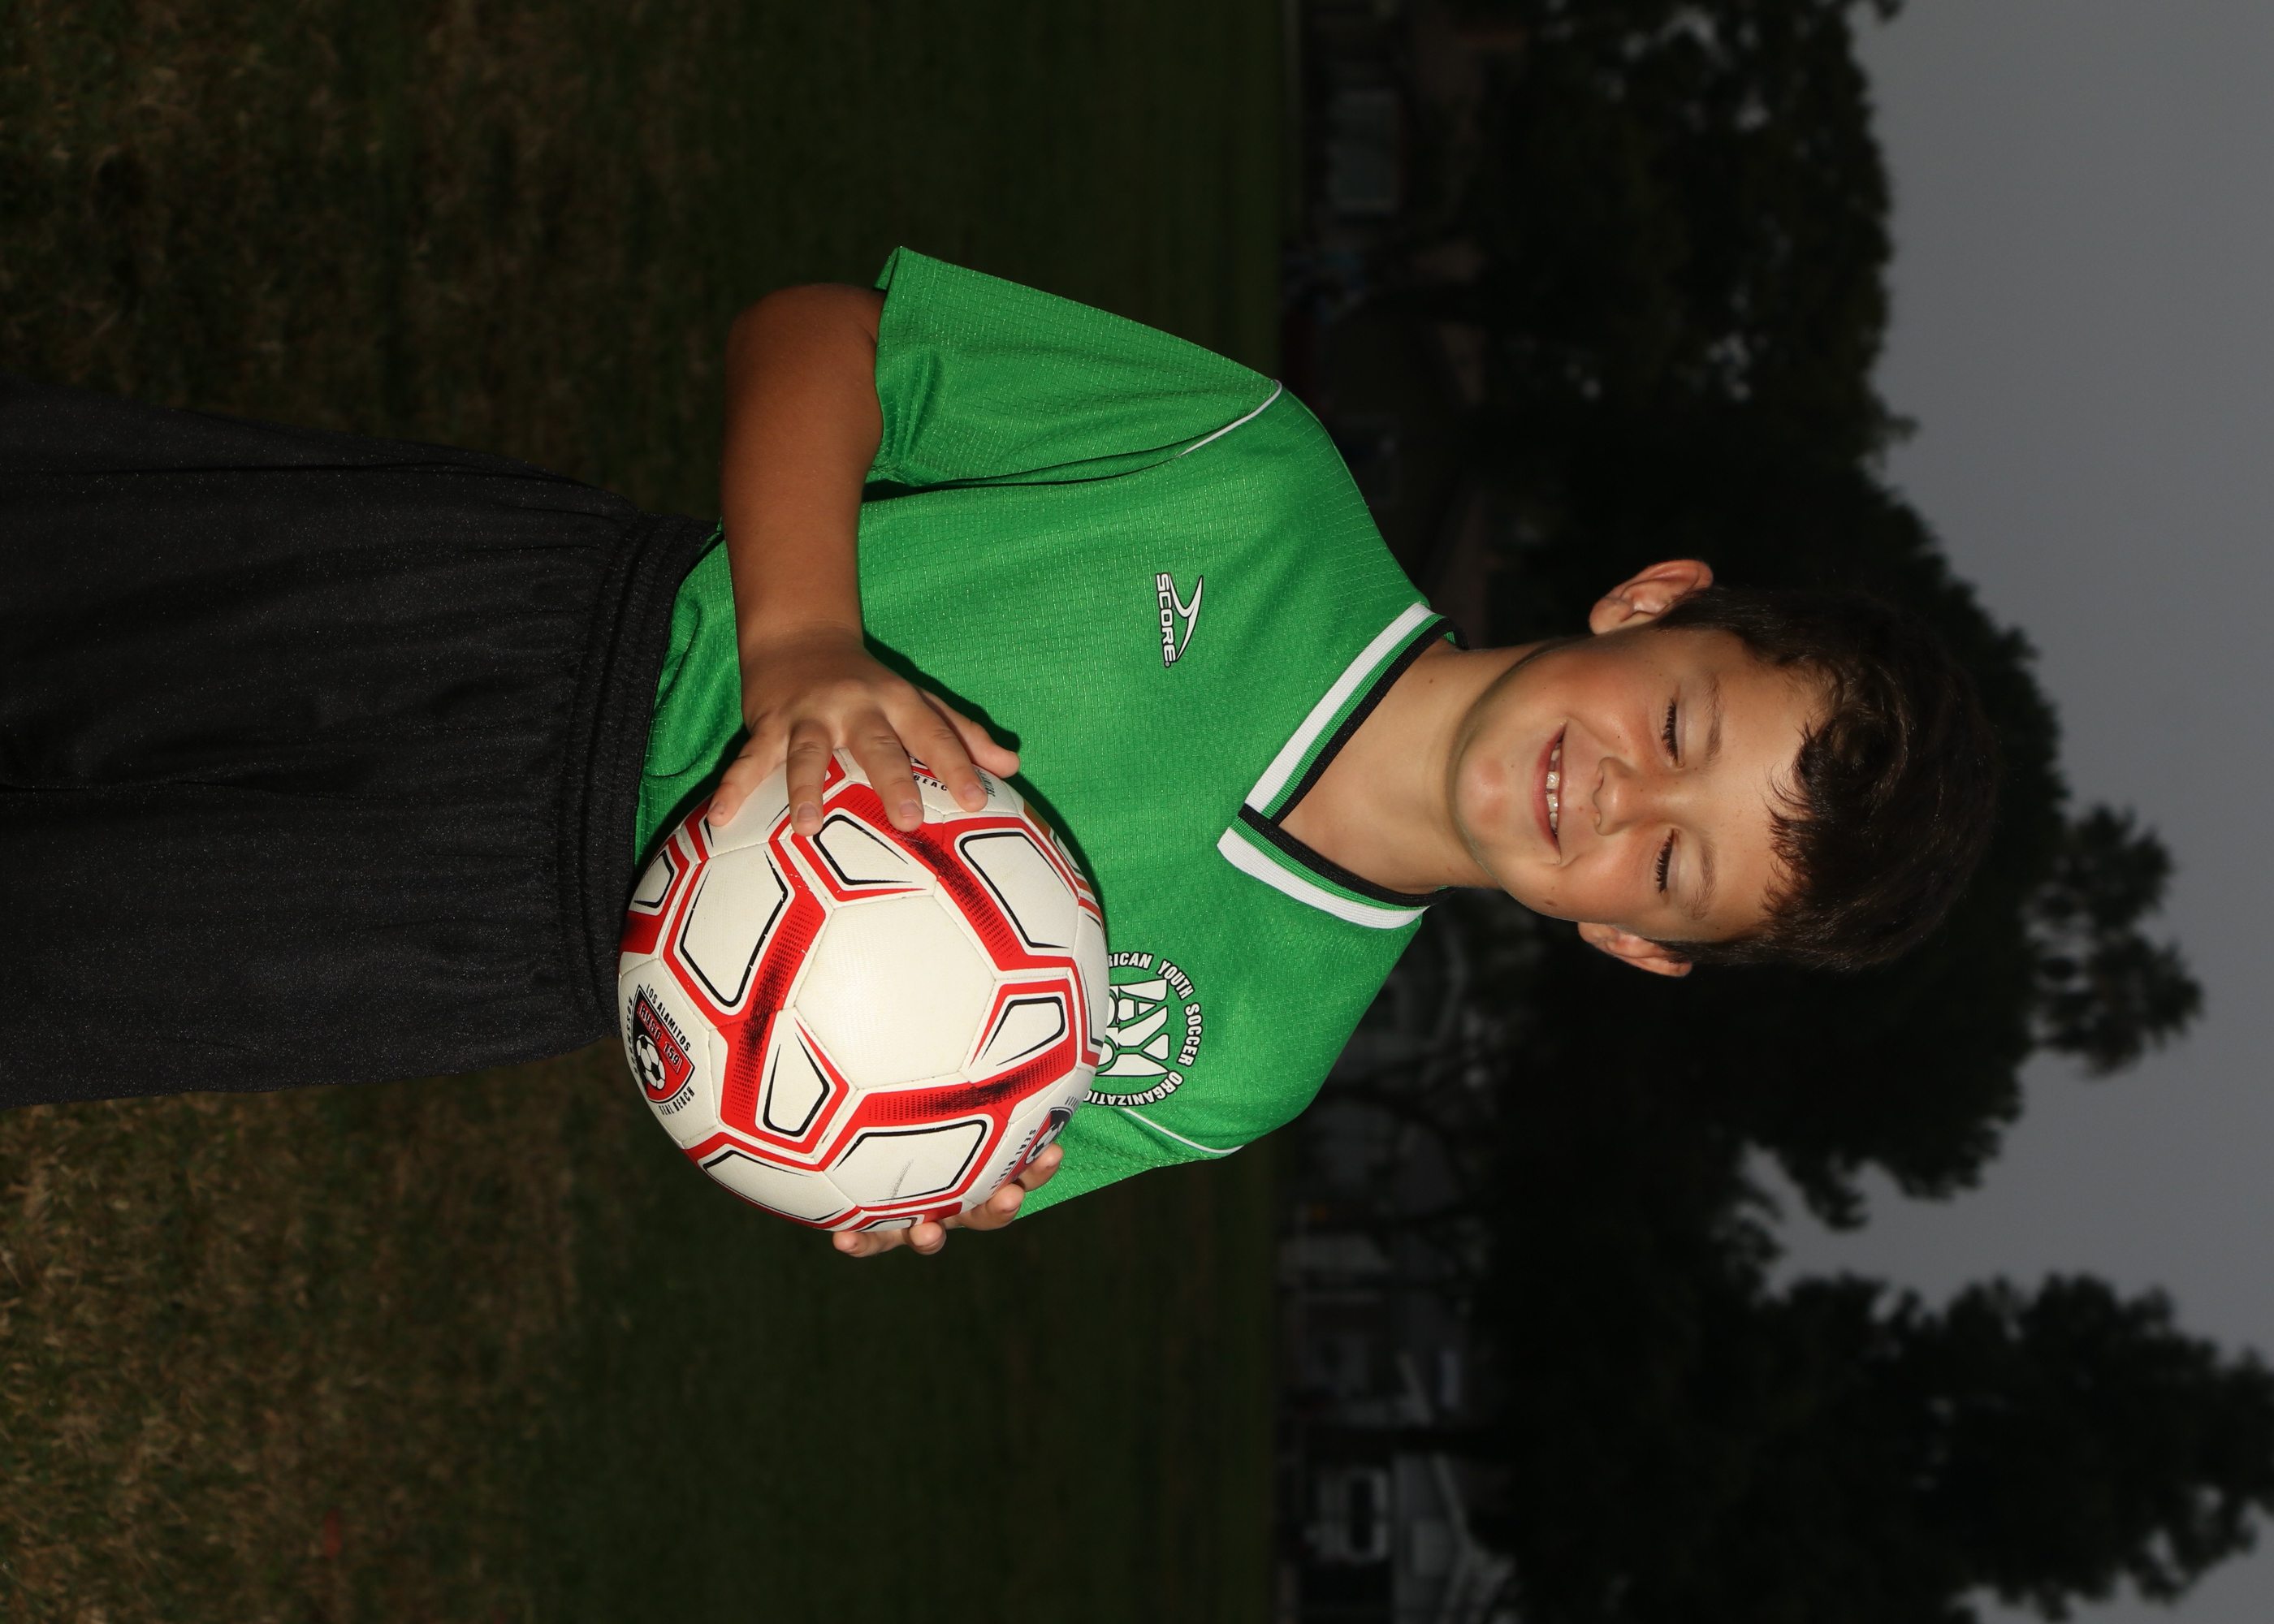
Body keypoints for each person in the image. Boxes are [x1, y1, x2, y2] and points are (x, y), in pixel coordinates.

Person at [0, 251, 1998, 1259]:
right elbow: (818, 335)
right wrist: (802, 638)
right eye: (1678, 727)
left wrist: (885, 1180)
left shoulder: (1244, 1061)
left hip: (492, 945)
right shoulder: (1253, 480)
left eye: (1670, 864)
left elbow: (902, 1157)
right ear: (1649, 605)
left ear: (1637, 946)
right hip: (518, 618)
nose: (1619, 797)